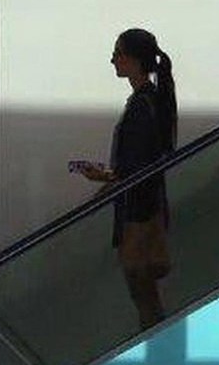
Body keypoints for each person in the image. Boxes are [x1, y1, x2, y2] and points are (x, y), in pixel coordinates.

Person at [76, 28, 177, 330]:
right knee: (145, 292)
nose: (112, 60)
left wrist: (107, 183)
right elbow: (141, 163)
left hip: (139, 208)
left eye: (117, 53)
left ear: (133, 59)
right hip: (146, 203)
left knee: (142, 288)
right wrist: (107, 175)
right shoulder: (152, 101)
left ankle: (156, 351)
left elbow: (137, 168)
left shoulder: (141, 106)